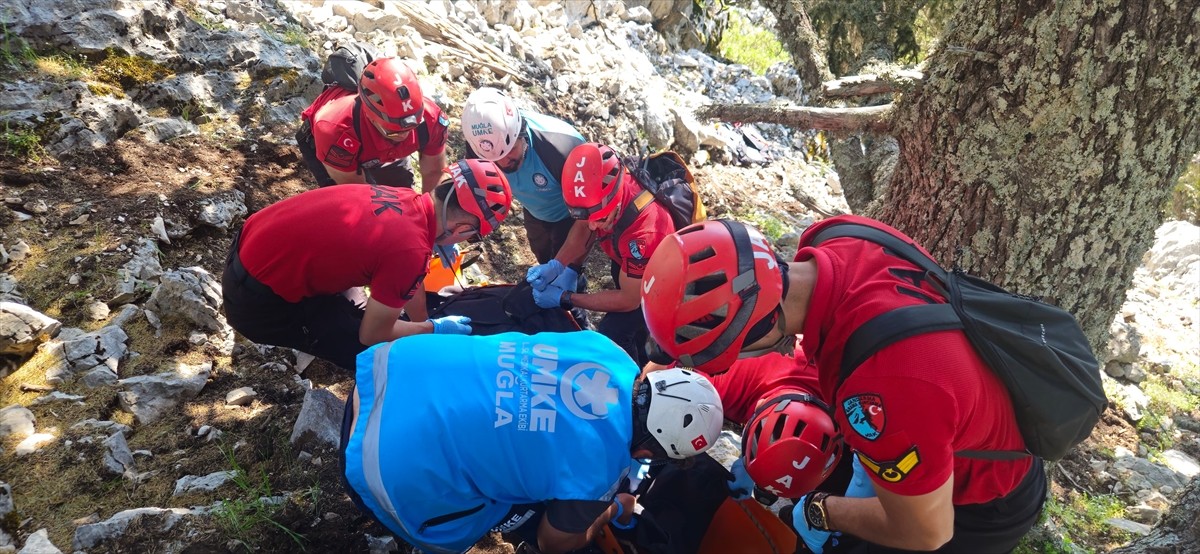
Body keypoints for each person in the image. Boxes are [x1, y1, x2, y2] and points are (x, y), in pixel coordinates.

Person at [638, 216, 1047, 553]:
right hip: (957, 416)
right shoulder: (835, 238)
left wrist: (821, 510)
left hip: (981, 499)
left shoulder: (877, 390)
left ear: (755, 328)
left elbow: (926, 531)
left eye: (736, 352)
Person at [340, 330, 725, 554]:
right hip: (379, 461)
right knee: (524, 514)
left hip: (391, 367)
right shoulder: (596, 473)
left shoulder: (605, 349)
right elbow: (553, 542)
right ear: (651, 452)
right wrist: (611, 509)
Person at [221, 159, 512, 371]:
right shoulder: (410, 250)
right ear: (461, 229)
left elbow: (411, 278)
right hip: (256, 304)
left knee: (365, 311)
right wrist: (432, 330)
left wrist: (421, 319)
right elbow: (372, 334)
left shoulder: (405, 198)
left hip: (250, 251)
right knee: (381, 351)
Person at [527, 143, 676, 366]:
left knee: (615, 331)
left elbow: (630, 300)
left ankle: (635, 384)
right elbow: (583, 225)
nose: (594, 227)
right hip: (626, 257)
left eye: (601, 220)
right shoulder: (599, 193)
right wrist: (559, 264)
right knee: (631, 324)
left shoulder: (644, 234)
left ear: (615, 200)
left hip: (661, 282)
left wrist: (567, 298)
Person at [461, 87, 593, 309]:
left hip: (570, 214)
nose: (504, 164)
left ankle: (577, 317)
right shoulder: (481, 144)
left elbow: (587, 220)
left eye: (510, 152)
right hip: (534, 210)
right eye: (496, 159)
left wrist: (570, 267)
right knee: (545, 263)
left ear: (521, 132)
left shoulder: (562, 149)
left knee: (565, 278)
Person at [297, 57, 449, 192]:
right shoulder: (335, 130)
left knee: (403, 194)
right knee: (351, 210)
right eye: (393, 132)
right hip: (331, 145)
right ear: (370, 115)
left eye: (411, 128)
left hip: (381, 150)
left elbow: (434, 173)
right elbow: (360, 195)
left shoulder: (432, 119)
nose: (404, 135)